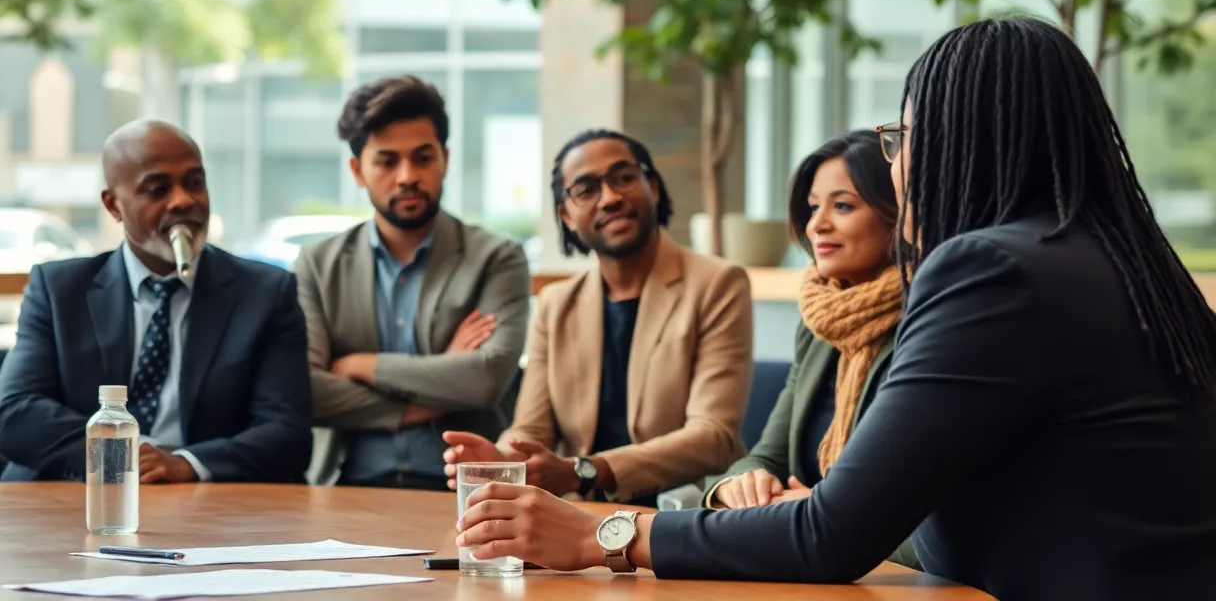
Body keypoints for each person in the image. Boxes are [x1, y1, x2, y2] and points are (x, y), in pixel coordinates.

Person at [452, 17, 1216, 600]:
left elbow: (831, 538)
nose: (898, 160)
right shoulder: (1129, 262)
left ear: (954, 144)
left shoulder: (993, 272)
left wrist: (599, 533)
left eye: (903, 137)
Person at [442, 129, 753, 506]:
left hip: (682, 515)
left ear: (652, 187)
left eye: (623, 178)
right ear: (566, 216)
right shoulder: (557, 304)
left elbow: (714, 437)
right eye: (586, 190)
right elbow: (531, 429)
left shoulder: (718, 284)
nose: (610, 198)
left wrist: (583, 470)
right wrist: (502, 460)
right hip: (578, 518)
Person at [0, 120, 312, 483]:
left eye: (195, 182)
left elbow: (287, 433)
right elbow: (15, 412)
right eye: (157, 189)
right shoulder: (58, 289)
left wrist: (185, 463)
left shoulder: (266, 292)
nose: (183, 200)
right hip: (75, 490)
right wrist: (128, 455)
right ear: (114, 206)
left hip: (208, 501)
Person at [699, 130, 918, 568]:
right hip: (807, 559)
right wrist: (735, 487)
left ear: (898, 212)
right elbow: (767, 456)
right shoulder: (820, 324)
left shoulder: (927, 323)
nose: (817, 224)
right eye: (813, 206)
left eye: (842, 206)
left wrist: (825, 512)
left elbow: (930, 518)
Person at [298, 75, 530, 490]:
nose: (407, 176)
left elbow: (486, 379)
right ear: (357, 170)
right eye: (387, 161)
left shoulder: (497, 258)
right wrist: (437, 387)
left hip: (468, 495)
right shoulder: (318, 265)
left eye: (423, 158)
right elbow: (305, 390)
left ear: (445, 158)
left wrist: (359, 366)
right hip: (347, 487)